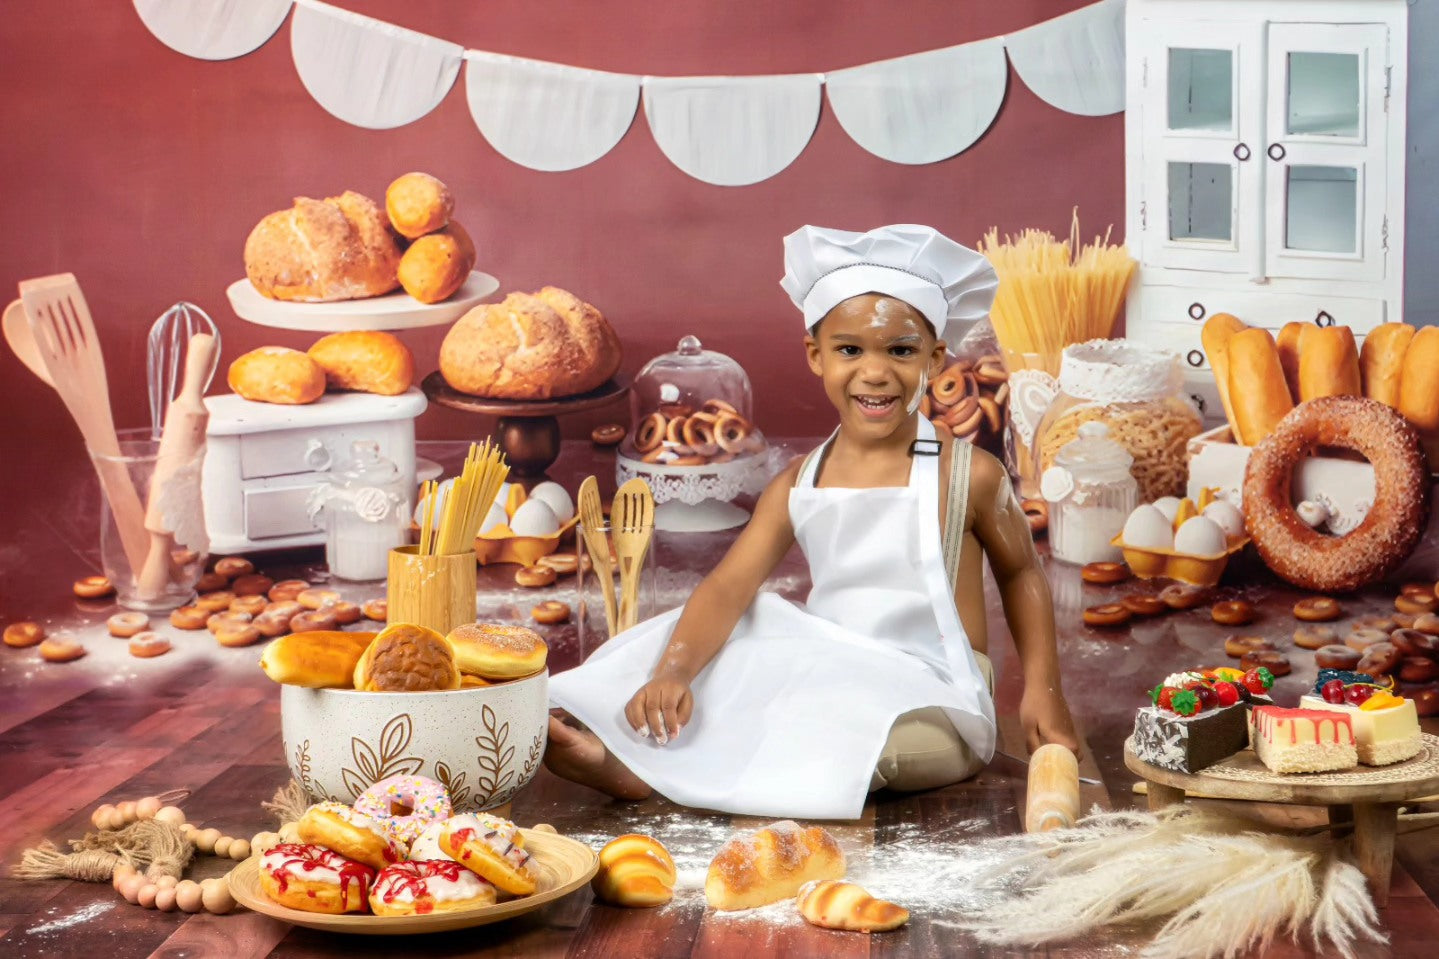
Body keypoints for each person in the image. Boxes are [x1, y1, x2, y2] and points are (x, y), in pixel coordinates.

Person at [546, 224, 1079, 819]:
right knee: (729, 651)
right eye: (850, 350)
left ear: (934, 359)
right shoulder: (798, 482)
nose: (875, 373)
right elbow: (728, 587)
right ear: (816, 355)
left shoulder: (970, 476)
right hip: (832, 667)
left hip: (935, 690)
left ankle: (647, 772)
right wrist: (675, 671)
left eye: (900, 351)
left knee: (865, 748)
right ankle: (635, 750)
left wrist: (1044, 691)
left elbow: (1022, 575)